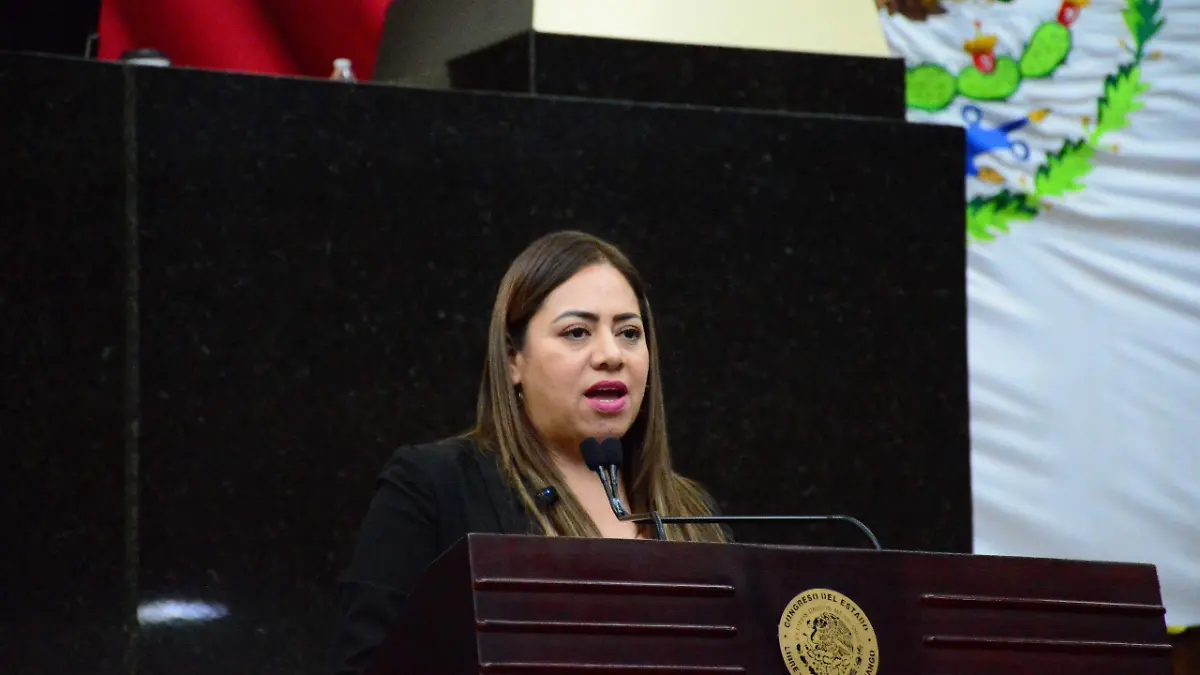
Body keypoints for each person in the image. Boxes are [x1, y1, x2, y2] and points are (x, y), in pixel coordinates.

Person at [328, 230, 729, 675]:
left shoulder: (693, 512)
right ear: (512, 359)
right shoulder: (434, 486)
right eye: (577, 332)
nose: (611, 355)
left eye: (629, 333)